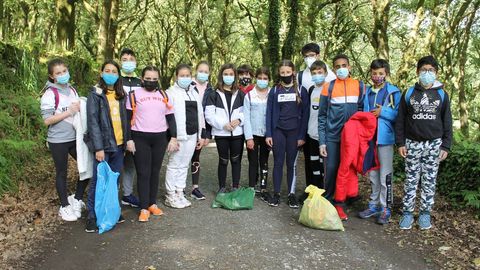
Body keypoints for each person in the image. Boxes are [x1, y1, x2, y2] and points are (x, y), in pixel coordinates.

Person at [396, 55, 452, 230]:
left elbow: (447, 121)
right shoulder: (409, 93)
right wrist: (400, 143)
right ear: (417, 72)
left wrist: (446, 145)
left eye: (431, 70)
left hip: (434, 144)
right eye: (423, 70)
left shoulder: (442, 94)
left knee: (429, 180)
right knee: (411, 180)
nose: (427, 73)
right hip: (412, 143)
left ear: (436, 73)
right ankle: (407, 213)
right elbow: (400, 120)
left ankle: (425, 214)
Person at [85, 60, 133, 232]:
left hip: (119, 146)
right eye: (107, 70)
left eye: (114, 71)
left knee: (115, 181)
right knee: (99, 181)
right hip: (103, 147)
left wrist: (127, 140)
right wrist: (98, 148)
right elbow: (93, 122)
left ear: (118, 75)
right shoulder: (95, 94)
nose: (110, 74)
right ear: (101, 72)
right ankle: (91, 215)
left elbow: (125, 121)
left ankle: (113, 211)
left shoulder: (121, 95)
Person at [126, 65, 178, 221]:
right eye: (148, 79)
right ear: (142, 79)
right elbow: (127, 119)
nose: (151, 81)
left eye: (154, 79)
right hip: (140, 137)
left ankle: (152, 204)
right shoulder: (133, 95)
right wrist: (129, 139)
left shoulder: (163, 94)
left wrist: (173, 137)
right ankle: (143, 208)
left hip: (160, 138)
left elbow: (170, 117)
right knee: (143, 172)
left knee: (155, 172)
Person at [40, 58, 89, 222]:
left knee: (86, 167)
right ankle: (65, 206)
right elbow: (47, 120)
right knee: (62, 172)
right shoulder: (49, 93)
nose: (62, 75)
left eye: (64, 71)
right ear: (52, 76)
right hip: (58, 140)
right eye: (58, 73)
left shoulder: (72, 90)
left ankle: (77, 199)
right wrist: (69, 112)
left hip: (76, 138)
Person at [318, 53, 365, 220]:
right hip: (332, 136)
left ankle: (342, 202)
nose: (341, 69)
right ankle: (329, 201)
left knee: (348, 170)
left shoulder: (359, 86)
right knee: (330, 170)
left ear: (349, 67)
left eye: (343, 66)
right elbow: (322, 115)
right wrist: (322, 142)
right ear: (333, 69)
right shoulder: (328, 87)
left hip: (351, 138)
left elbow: (362, 112)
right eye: (337, 67)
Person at [358, 59, 401, 225]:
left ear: (387, 74)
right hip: (370, 138)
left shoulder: (393, 92)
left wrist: (383, 112)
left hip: (385, 139)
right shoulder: (367, 92)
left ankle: (386, 207)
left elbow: (399, 115)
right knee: (373, 173)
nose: (377, 76)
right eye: (374, 73)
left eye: (381, 73)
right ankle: (374, 204)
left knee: (386, 175)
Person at [265, 60, 309, 208]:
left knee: (291, 164)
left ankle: (291, 194)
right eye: (282, 73)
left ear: (293, 72)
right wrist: (269, 134)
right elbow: (269, 113)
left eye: (288, 72)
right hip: (278, 131)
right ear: (279, 73)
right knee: (278, 162)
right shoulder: (275, 90)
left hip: (294, 133)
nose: (285, 75)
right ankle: (276, 193)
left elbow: (305, 114)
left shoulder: (301, 90)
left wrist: (302, 136)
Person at [165, 64, 204, 208]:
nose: (185, 78)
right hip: (178, 135)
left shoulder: (194, 92)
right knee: (174, 164)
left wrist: (201, 134)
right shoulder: (171, 93)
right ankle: (170, 194)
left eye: (187, 75)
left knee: (184, 165)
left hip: (193, 134)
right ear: (176, 76)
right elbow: (168, 117)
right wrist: (172, 137)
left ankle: (180, 191)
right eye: (182, 75)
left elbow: (200, 114)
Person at [205, 63, 245, 193]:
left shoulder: (240, 94)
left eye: (231, 74)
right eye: (226, 74)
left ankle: (235, 186)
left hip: (237, 133)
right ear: (221, 76)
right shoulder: (214, 94)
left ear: (235, 76)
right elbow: (209, 115)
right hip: (221, 133)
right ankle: (221, 187)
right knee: (223, 160)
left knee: (235, 160)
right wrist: (223, 124)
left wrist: (239, 120)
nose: (228, 77)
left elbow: (246, 112)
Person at [299, 60, 328, 202]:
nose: (317, 75)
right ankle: (312, 192)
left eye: (320, 73)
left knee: (324, 168)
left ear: (325, 73)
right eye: (314, 73)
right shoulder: (311, 89)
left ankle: (323, 195)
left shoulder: (330, 89)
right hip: (311, 134)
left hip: (324, 136)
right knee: (312, 165)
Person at [244, 67, 272, 202]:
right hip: (253, 134)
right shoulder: (249, 95)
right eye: (260, 78)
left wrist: (271, 134)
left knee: (264, 161)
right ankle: (251, 186)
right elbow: (246, 118)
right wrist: (248, 137)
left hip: (267, 135)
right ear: (256, 79)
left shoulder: (272, 94)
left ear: (269, 80)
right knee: (253, 161)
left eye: (265, 78)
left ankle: (263, 187)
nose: (262, 81)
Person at [119, 48, 142, 208]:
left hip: (136, 128)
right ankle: (112, 196)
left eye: (131, 59)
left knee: (130, 164)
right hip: (117, 127)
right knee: (115, 163)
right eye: (125, 59)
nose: (128, 62)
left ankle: (127, 195)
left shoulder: (140, 82)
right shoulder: (115, 79)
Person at [189, 61, 213, 200]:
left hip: (202, 129)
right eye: (200, 71)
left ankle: (194, 188)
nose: (203, 74)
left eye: (206, 71)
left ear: (209, 73)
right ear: (195, 71)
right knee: (180, 158)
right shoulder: (188, 85)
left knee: (195, 157)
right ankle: (175, 189)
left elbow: (210, 113)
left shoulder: (211, 89)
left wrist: (207, 134)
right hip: (188, 127)